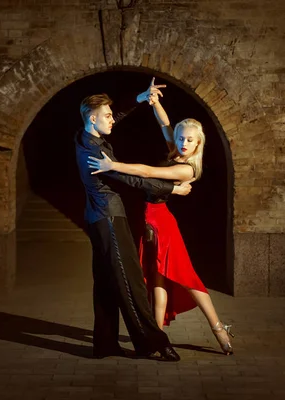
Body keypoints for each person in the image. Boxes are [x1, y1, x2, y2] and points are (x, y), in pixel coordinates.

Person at [87, 78, 235, 355]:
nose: (183, 143)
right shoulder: (174, 152)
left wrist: (113, 165)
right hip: (150, 223)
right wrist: (154, 102)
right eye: (181, 138)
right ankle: (157, 334)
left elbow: (147, 173)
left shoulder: (188, 170)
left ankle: (218, 327)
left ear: (198, 144)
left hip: (163, 224)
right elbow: (165, 125)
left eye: (190, 140)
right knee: (157, 278)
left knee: (187, 279)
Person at [75, 88, 193, 362]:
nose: (112, 120)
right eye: (106, 116)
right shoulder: (93, 154)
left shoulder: (85, 136)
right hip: (108, 218)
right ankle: (152, 342)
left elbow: (114, 114)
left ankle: (105, 344)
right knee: (131, 281)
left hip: (97, 217)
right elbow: (132, 180)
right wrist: (171, 190)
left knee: (105, 282)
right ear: (93, 119)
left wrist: (138, 99)